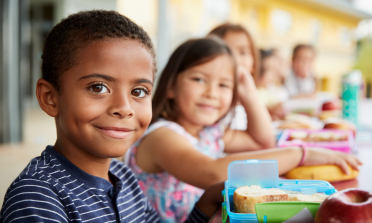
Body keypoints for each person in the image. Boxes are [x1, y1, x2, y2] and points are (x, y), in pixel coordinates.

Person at [0, 10, 224, 223]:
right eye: (98, 87)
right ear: (50, 98)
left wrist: (206, 204)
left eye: (138, 92)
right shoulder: (36, 198)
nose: (124, 108)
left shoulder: (123, 177)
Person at [127, 37, 362, 223]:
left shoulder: (209, 132)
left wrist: (249, 93)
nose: (212, 92)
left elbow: (262, 142)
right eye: (199, 79)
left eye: (224, 85)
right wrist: (302, 154)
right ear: (170, 87)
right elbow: (213, 174)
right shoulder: (161, 136)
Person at [208, 23, 274, 133]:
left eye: (243, 52)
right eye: (226, 50)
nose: (236, 60)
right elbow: (265, 142)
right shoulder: (210, 101)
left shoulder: (246, 103)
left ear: (253, 64)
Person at [256, 49, 286, 120]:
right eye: (270, 70)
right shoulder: (256, 93)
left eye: (274, 69)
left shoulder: (269, 89)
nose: (274, 74)